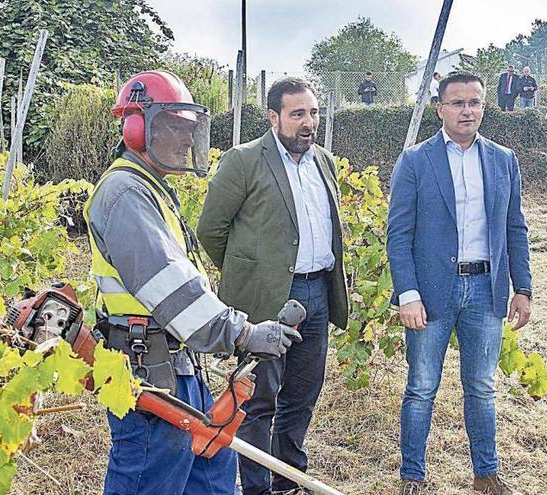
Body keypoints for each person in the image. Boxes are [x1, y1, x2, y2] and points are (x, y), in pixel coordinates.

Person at [86, 70, 302, 495]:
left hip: (179, 365)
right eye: (173, 128)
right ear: (135, 127)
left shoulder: (153, 188)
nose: (186, 141)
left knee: (212, 475)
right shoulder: (125, 194)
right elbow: (171, 288)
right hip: (146, 369)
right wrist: (240, 332)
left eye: (189, 130)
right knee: (152, 477)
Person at [197, 77, 349, 495]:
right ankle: (257, 488)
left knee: (301, 396)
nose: (308, 122)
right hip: (265, 298)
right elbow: (211, 231)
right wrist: (251, 273)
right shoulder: (243, 160)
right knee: (260, 399)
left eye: (313, 113)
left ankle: (289, 482)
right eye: (298, 114)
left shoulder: (323, 162)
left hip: (316, 294)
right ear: (273, 117)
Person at [387, 71, 532, 495]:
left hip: (486, 290)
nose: (467, 110)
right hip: (432, 292)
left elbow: (515, 227)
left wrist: (521, 287)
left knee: (482, 387)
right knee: (421, 387)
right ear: (440, 108)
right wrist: (408, 294)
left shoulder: (504, 159)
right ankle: (412, 476)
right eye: (458, 103)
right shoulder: (416, 160)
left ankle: (486, 474)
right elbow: (398, 234)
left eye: (475, 102)